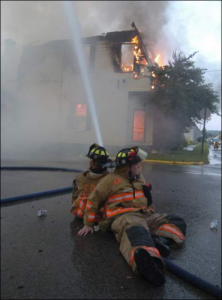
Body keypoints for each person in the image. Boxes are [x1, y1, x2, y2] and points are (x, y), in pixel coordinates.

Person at [78, 147, 186, 287]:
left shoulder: (138, 177)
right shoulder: (110, 180)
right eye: (136, 165)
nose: (139, 167)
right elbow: (93, 200)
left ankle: (161, 242)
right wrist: (88, 224)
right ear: (126, 168)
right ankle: (149, 265)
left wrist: (150, 205)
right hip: (123, 217)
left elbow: (143, 199)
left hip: (144, 215)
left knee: (176, 221)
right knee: (136, 232)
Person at [71, 143, 110, 221]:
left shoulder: (81, 177)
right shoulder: (110, 178)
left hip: (81, 215)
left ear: (92, 162)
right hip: (101, 217)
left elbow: (75, 195)